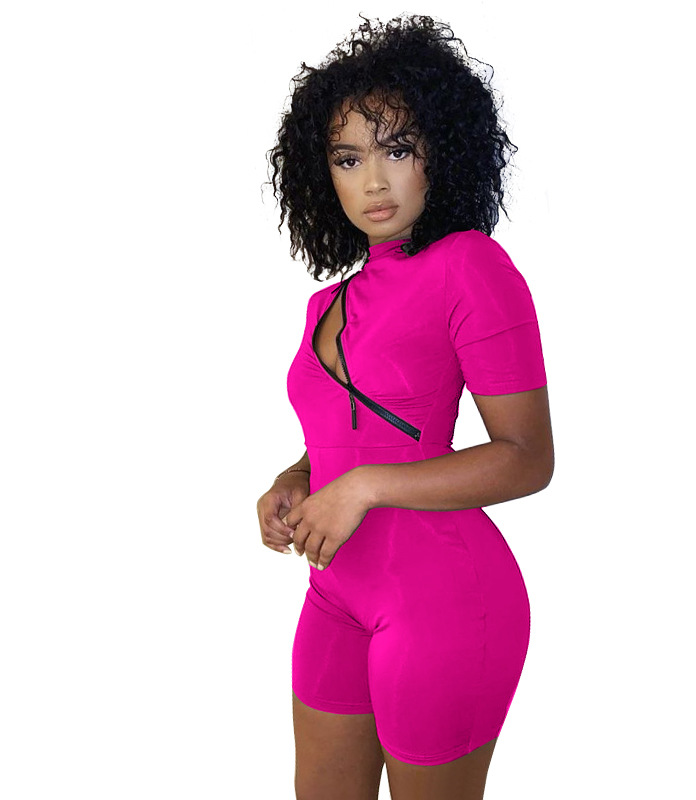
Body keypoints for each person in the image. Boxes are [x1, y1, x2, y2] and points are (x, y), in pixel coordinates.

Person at [256, 14, 554, 800]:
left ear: (442, 152)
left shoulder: (470, 266)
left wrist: (363, 487)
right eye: (349, 158)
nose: (375, 181)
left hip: (444, 598)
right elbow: (346, 437)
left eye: (398, 149)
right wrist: (297, 479)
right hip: (334, 593)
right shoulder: (326, 305)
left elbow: (528, 458)